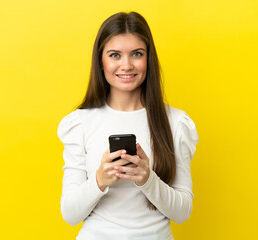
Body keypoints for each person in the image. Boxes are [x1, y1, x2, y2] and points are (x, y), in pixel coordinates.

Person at [57, 11, 199, 240]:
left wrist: (147, 179)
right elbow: (70, 215)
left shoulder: (175, 123)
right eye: (114, 55)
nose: (126, 65)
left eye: (136, 54)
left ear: (148, 59)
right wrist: (99, 180)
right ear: (100, 62)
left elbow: (182, 213)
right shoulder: (79, 123)